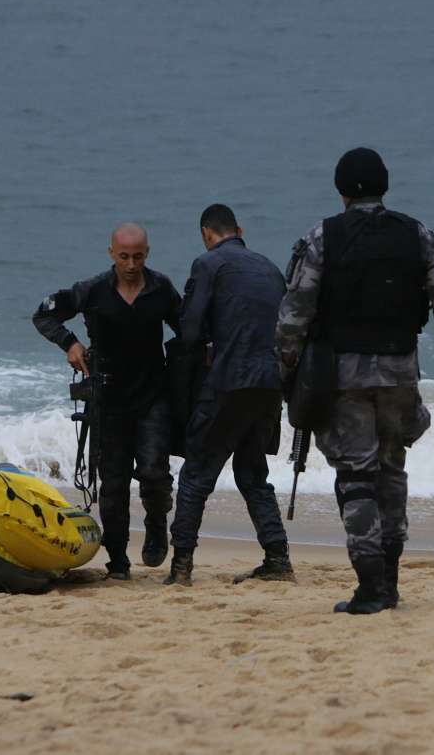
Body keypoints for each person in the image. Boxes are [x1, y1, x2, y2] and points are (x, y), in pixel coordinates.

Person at [276, 147, 434, 614]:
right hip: (400, 371)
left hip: (342, 374)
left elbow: (294, 314)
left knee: (356, 476)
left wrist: (287, 372)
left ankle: (370, 586)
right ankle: (389, 580)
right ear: (384, 186)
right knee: (391, 470)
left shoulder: (322, 237)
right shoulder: (419, 236)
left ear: (341, 190)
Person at [33, 223, 181, 579]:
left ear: (148, 254)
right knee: (112, 483)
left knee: (153, 475)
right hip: (108, 397)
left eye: (139, 256)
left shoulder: (161, 288)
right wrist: (70, 343)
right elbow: (44, 314)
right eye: (124, 256)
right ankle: (118, 562)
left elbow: (188, 329)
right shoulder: (92, 290)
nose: (131, 264)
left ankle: (157, 525)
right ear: (111, 254)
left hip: (152, 396)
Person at [163, 204, 293, 587]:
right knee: (252, 472)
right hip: (271, 384)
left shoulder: (209, 265)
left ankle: (181, 567)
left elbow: (189, 331)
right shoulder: (269, 268)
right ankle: (278, 559)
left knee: (196, 474)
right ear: (238, 229)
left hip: (229, 382)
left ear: (206, 234)